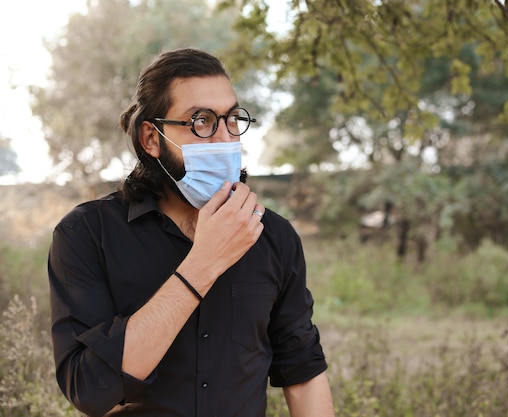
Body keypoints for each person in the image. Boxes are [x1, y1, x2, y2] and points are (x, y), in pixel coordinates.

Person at [48, 48, 335, 417]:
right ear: (151, 139)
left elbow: (303, 372)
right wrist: (203, 263)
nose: (223, 139)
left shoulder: (273, 235)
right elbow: (89, 390)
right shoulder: (86, 233)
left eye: (231, 119)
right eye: (200, 121)